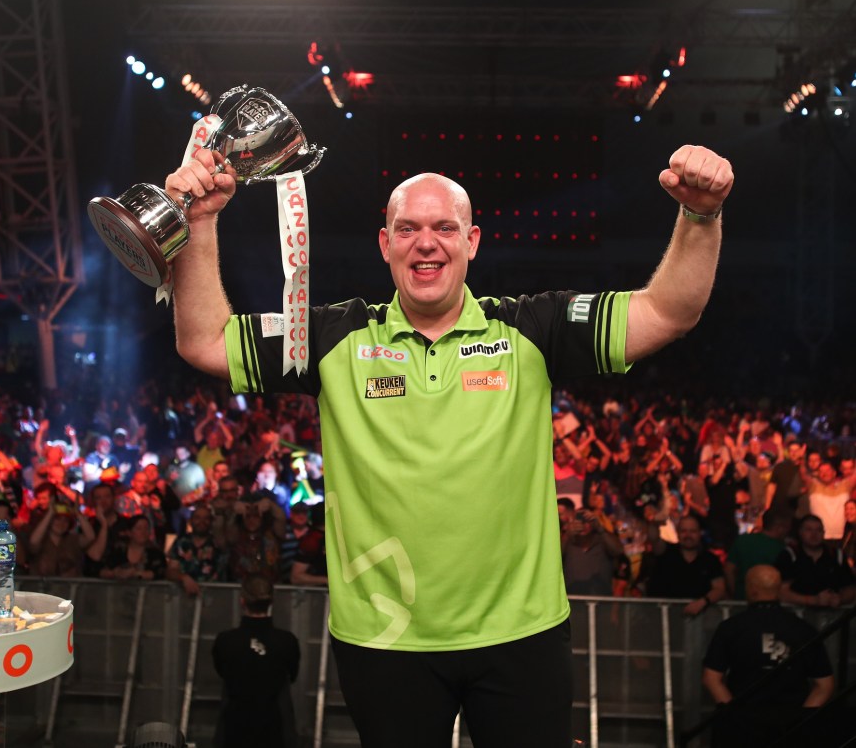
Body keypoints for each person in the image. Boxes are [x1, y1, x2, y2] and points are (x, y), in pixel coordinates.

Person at [166, 143, 732, 746]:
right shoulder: (330, 336)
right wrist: (198, 222)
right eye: (407, 228)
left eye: (444, 227)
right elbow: (204, 341)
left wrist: (701, 216)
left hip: (521, 635)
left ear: (472, 241)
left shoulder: (531, 328)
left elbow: (668, 312)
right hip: (385, 640)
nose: (426, 243)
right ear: (385, 244)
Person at [702, 565, 835, 748]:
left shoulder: (731, 627)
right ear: (778, 589)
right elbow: (825, 685)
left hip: (743, 722)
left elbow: (711, 678)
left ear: (751, 589)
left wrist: (733, 712)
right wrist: (801, 718)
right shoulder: (803, 629)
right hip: (789, 721)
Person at [212, 573, 300, 748]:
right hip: (274, 728)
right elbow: (292, 675)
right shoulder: (286, 641)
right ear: (271, 601)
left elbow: (222, 672)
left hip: (234, 728)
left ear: (242, 601)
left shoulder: (226, 640)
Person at [647, 514, 726, 616]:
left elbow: (719, 589)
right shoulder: (665, 551)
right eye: (683, 531)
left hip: (700, 617)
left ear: (700, 533)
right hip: (662, 616)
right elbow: (653, 538)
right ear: (677, 533)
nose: (688, 535)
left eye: (693, 531)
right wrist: (654, 523)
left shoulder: (710, 560)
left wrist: (702, 602)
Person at [774, 514, 855, 608]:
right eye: (809, 530)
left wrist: (840, 599)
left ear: (823, 533)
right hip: (796, 611)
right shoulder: (790, 555)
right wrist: (814, 600)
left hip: (833, 611)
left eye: (818, 530)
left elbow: (850, 588)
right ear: (800, 532)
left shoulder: (836, 555)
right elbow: (781, 592)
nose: (814, 534)